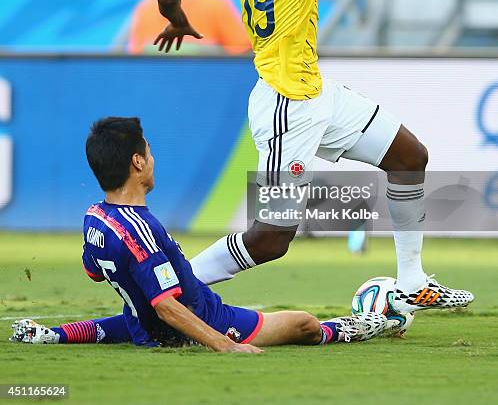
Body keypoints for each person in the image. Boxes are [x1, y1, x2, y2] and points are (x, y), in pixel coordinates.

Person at [153, 0, 474, 315]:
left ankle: (412, 281)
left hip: (314, 91)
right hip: (288, 104)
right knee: (270, 237)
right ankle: (172, 292)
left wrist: (177, 20)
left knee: (409, 157)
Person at [10, 116, 387, 349]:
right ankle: (369, 322)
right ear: (137, 162)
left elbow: (94, 271)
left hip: (142, 325)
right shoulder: (140, 229)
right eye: (150, 153)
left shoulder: (94, 218)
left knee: (130, 317)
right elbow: (168, 307)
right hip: (205, 321)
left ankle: (56, 335)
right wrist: (225, 346)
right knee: (303, 323)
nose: (153, 160)